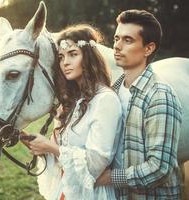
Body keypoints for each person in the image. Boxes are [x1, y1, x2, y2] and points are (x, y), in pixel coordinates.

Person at [22, 24, 123, 200]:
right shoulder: (72, 102)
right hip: (66, 190)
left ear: (89, 57)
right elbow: (63, 153)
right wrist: (38, 145)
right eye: (61, 57)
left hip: (91, 193)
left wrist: (50, 147)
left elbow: (95, 164)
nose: (65, 62)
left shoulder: (105, 100)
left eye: (73, 54)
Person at [95, 9, 183, 199]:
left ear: (148, 48)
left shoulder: (160, 96)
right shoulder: (112, 92)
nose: (117, 46)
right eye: (116, 38)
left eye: (128, 40)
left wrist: (108, 178)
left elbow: (159, 169)